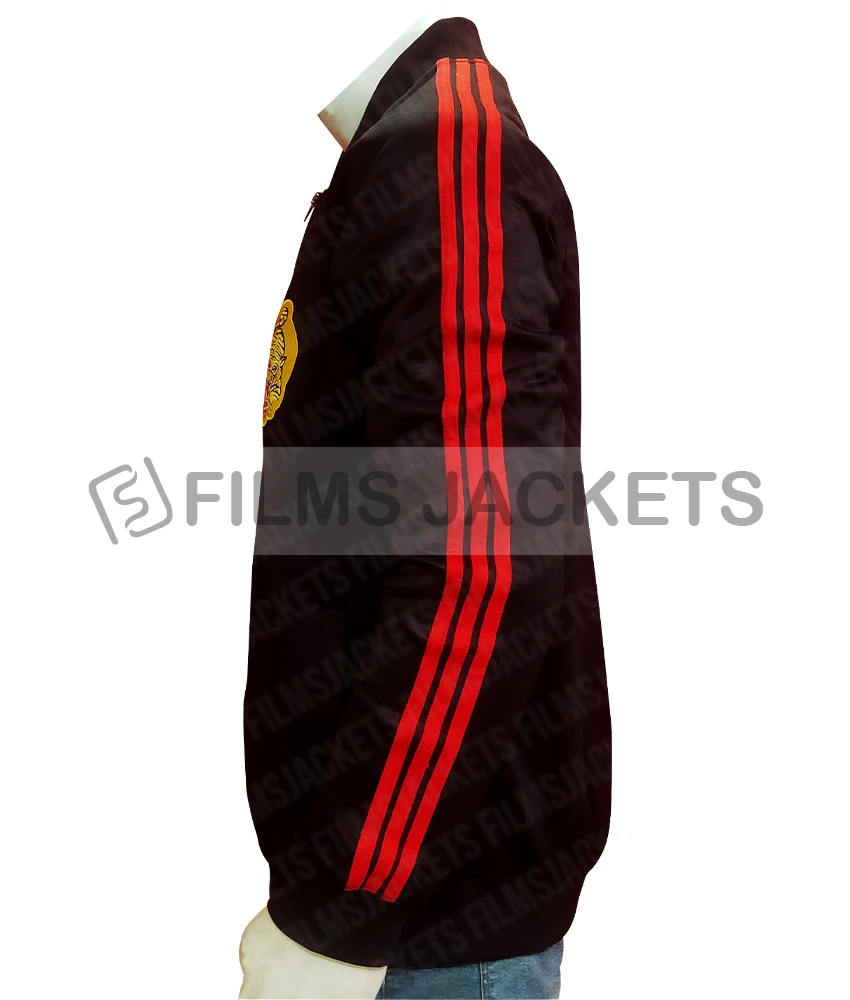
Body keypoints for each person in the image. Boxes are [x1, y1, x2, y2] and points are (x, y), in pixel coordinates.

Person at [241, 14, 612, 999]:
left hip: (430, 927)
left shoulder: (445, 166)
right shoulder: (419, 158)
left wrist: (341, 918)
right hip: (421, 901)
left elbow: (478, 570)